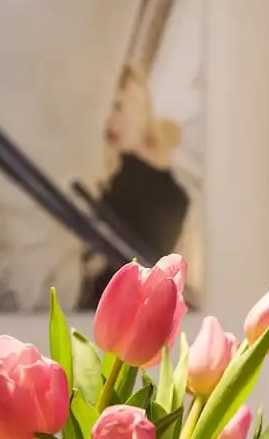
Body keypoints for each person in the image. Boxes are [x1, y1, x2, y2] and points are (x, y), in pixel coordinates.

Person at [78, 65, 190, 309]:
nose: (110, 120)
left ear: (139, 107)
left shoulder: (172, 196)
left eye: (118, 106)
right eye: (104, 109)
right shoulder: (104, 172)